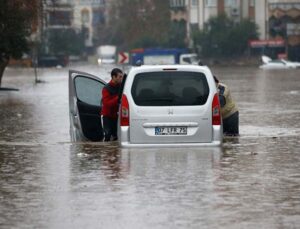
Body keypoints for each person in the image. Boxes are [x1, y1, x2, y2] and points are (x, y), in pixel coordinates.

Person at [101, 68, 123, 141]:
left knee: (117, 136)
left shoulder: (122, 87)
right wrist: (118, 97)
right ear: (114, 77)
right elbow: (107, 104)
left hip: (117, 116)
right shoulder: (106, 88)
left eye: (122, 76)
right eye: (120, 77)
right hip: (107, 116)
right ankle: (107, 151)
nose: (121, 78)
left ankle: (115, 152)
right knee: (107, 135)